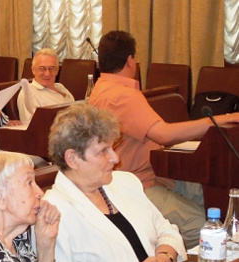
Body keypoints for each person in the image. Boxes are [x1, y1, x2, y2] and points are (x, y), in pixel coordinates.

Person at [88, 30, 239, 249]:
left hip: (154, 173)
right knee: (201, 225)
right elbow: (163, 134)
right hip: (137, 184)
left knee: (210, 193)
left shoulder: (102, 88)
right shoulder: (122, 95)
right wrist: (221, 119)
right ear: (131, 60)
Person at [45, 103, 186, 262]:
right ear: (73, 158)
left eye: (112, 148)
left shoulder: (125, 182)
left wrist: (165, 257)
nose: (115, 157)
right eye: (103, 151)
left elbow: (165, 229)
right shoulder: (54, 208)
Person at [17, 48, 75, 123]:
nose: (47, 73)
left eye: (51, 68)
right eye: (42, 68)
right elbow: (31, 126)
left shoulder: (60, 86)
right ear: (33, 70)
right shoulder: (27, 93)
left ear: (57, 70)